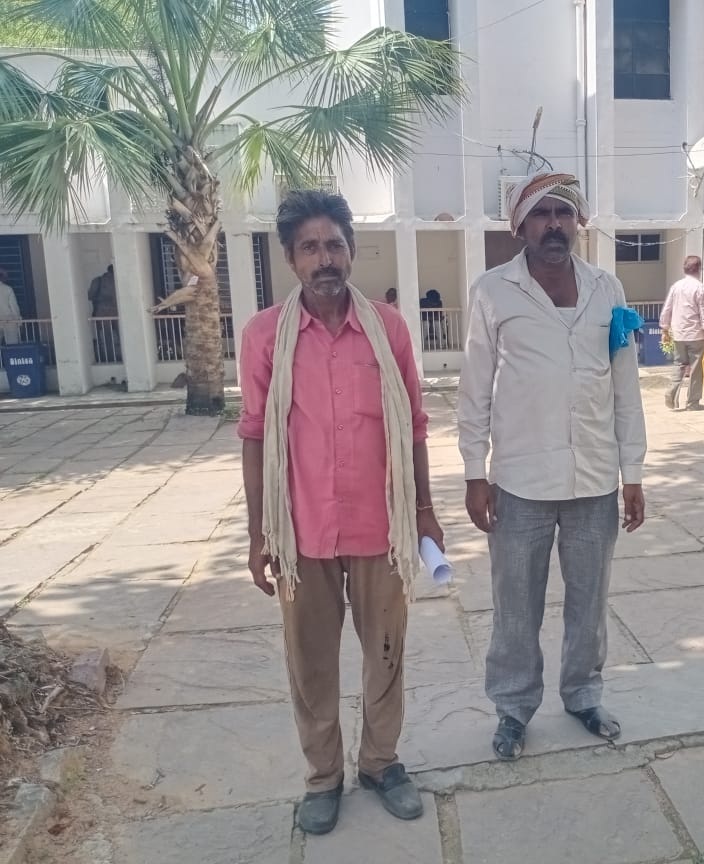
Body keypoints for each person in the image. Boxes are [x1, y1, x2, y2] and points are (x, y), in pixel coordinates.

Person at [237, 190, 442, 835]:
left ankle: (380, 762)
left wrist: (426, 510)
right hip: (302, 531)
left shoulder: (389, 328)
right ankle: (323, 777)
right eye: (310, 248)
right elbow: (254, 434)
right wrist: (258, 533)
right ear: (291, 259)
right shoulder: (264, 335)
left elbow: (414, 424)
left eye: (334, 245)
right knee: (310, 661)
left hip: (382, 527)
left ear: (351, 251)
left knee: (386, 652)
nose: (324, 259)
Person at [458, 172, 647, 762]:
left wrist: (634, 472)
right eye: (541, 215)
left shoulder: (607, 289)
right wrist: (474, 472)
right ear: (520, 226)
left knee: (590, 603)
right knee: (516, 607)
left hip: (594, 478)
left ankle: (584, 695)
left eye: (564, 213)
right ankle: (513, 709)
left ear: (579, 223)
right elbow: (474, 388)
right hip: (520, 482)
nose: (554, 225)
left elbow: (625, 386)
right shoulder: (493, 291)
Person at [660, 255, 704, 411]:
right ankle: (692, 403)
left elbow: (667, 309)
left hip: (678, 333)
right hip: (696, 335)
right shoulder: (701, 288)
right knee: (696, 370)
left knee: (679, 364)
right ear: (699, 269)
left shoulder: (676, 286)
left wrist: (665, 330)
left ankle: (672, 392)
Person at [0, 269, 22, 346]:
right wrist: (19, 322)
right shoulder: (8, 289)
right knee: (12, 346)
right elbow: (14, 307)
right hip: (9, 321)